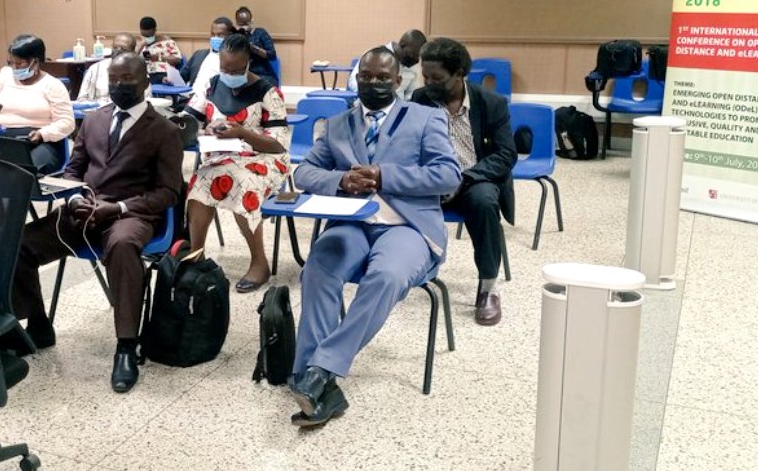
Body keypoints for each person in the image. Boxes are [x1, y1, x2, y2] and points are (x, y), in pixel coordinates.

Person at [288, 47, 461, 427]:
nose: (374, 83)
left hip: (406, 226)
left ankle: (318, 372)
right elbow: (303, 174)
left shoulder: (425, 119)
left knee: (384, 276)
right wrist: (341, 180)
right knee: (318, 267)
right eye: (366, 76)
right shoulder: (337, 124)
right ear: (356, 79)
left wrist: (385, 176)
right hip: (352, 224)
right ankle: (313, 380)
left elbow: (449, 175)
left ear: (398, 82)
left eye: (383, 78)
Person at [11, 54, 183, 393]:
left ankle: (125, 347)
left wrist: (116, 207)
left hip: (131, 214)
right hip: (83, 210)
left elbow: (167, 193)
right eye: (114, 81)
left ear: (145, 82)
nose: (119, 87)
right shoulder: (92, 120)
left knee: (121, 246)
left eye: (128, 81)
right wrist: (75, 199)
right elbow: (73, 172)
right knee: (20, 244)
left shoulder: (164, 130)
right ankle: (38, 324)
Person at [412, 37, 516, 326]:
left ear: (460, 74)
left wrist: (464, 178)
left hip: (475, 178)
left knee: (484, 202)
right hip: (433, 180)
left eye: (437, 78)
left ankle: (487, 289)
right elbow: (408, 148)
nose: (429, 83)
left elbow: (506, 154)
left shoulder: (491, 103)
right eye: (425, 76)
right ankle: (399, 274)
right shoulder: (419, 101)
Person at [186, 33, 289, 293]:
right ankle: (195, 254)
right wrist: (181, 126)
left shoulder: (268, 91)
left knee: (240, 181)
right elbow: (191, 120)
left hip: (264, 159)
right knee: (199, 181)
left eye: (236, 69)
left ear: (249, 63)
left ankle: (259, 263)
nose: (229, 75)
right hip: (222, 156)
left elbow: (278, 145)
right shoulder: (211, 86)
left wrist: (242, 133)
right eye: (224, 69)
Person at [0, 34, 75, 174]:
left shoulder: (52, 85)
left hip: (39, 142)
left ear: (36, 61)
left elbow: (67, 122)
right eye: (11, 63)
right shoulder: (5, 77)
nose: (14, 68)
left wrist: (42, 134)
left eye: (20, 63)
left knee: (24, 172)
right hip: (2, 139)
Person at [347, 29, 426, 101]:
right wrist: (373, 92)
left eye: (418, 57)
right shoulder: (373, 55)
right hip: (370, 102)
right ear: (402, 45)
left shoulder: (412, 66)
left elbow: (411, 93)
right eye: (413, 55)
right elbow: (353, 82)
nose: (416, 60)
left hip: (398, 109)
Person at [77, 32, 155, 104]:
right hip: (99, 114)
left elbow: (146, 101)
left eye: (123, 49)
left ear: (132, 51)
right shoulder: (95, 69)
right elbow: (81, 100)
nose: (118, 51)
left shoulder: (139, 71)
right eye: (115, 47)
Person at [185, 16, 234, 88]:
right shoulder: (199, 54)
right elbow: (183, 77)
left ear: (230, 35)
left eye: (220, 35)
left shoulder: (235, 60)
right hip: (192, 95)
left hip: (215, 98)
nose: (215, 38)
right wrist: (169, 80)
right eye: (213, 34)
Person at [234, 6, 278, 84]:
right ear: (237, 23)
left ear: (252, 20)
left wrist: (255, 49)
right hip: (242, 75)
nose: (244, 26)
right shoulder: (234, 36)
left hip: (262, 74)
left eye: (247, 23)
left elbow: (272, 55)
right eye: (241, 24)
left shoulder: (260, 33)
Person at [137, 15, 183, 84]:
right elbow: (130, 60)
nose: (147, 38)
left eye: (149, 36)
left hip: (162, 73)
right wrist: (141, 46)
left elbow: (177, 60)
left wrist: (159, 57)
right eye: (145, 36)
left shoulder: (167, 42)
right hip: (143, 75)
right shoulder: (139, 44)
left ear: (155, 30)